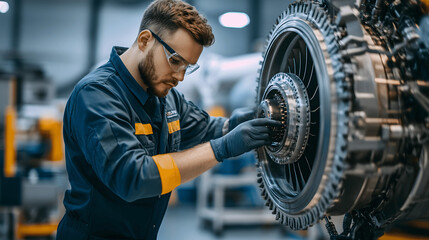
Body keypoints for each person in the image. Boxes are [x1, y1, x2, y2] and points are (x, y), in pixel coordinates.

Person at [56, 0, 279, 239]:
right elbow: (132, 177)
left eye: (188, 67)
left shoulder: (166, 97)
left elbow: (203, 127)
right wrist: (222, 148)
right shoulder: (97, 95)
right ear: (144, 41)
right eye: (175, 61)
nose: (180, 77)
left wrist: (232, 124)